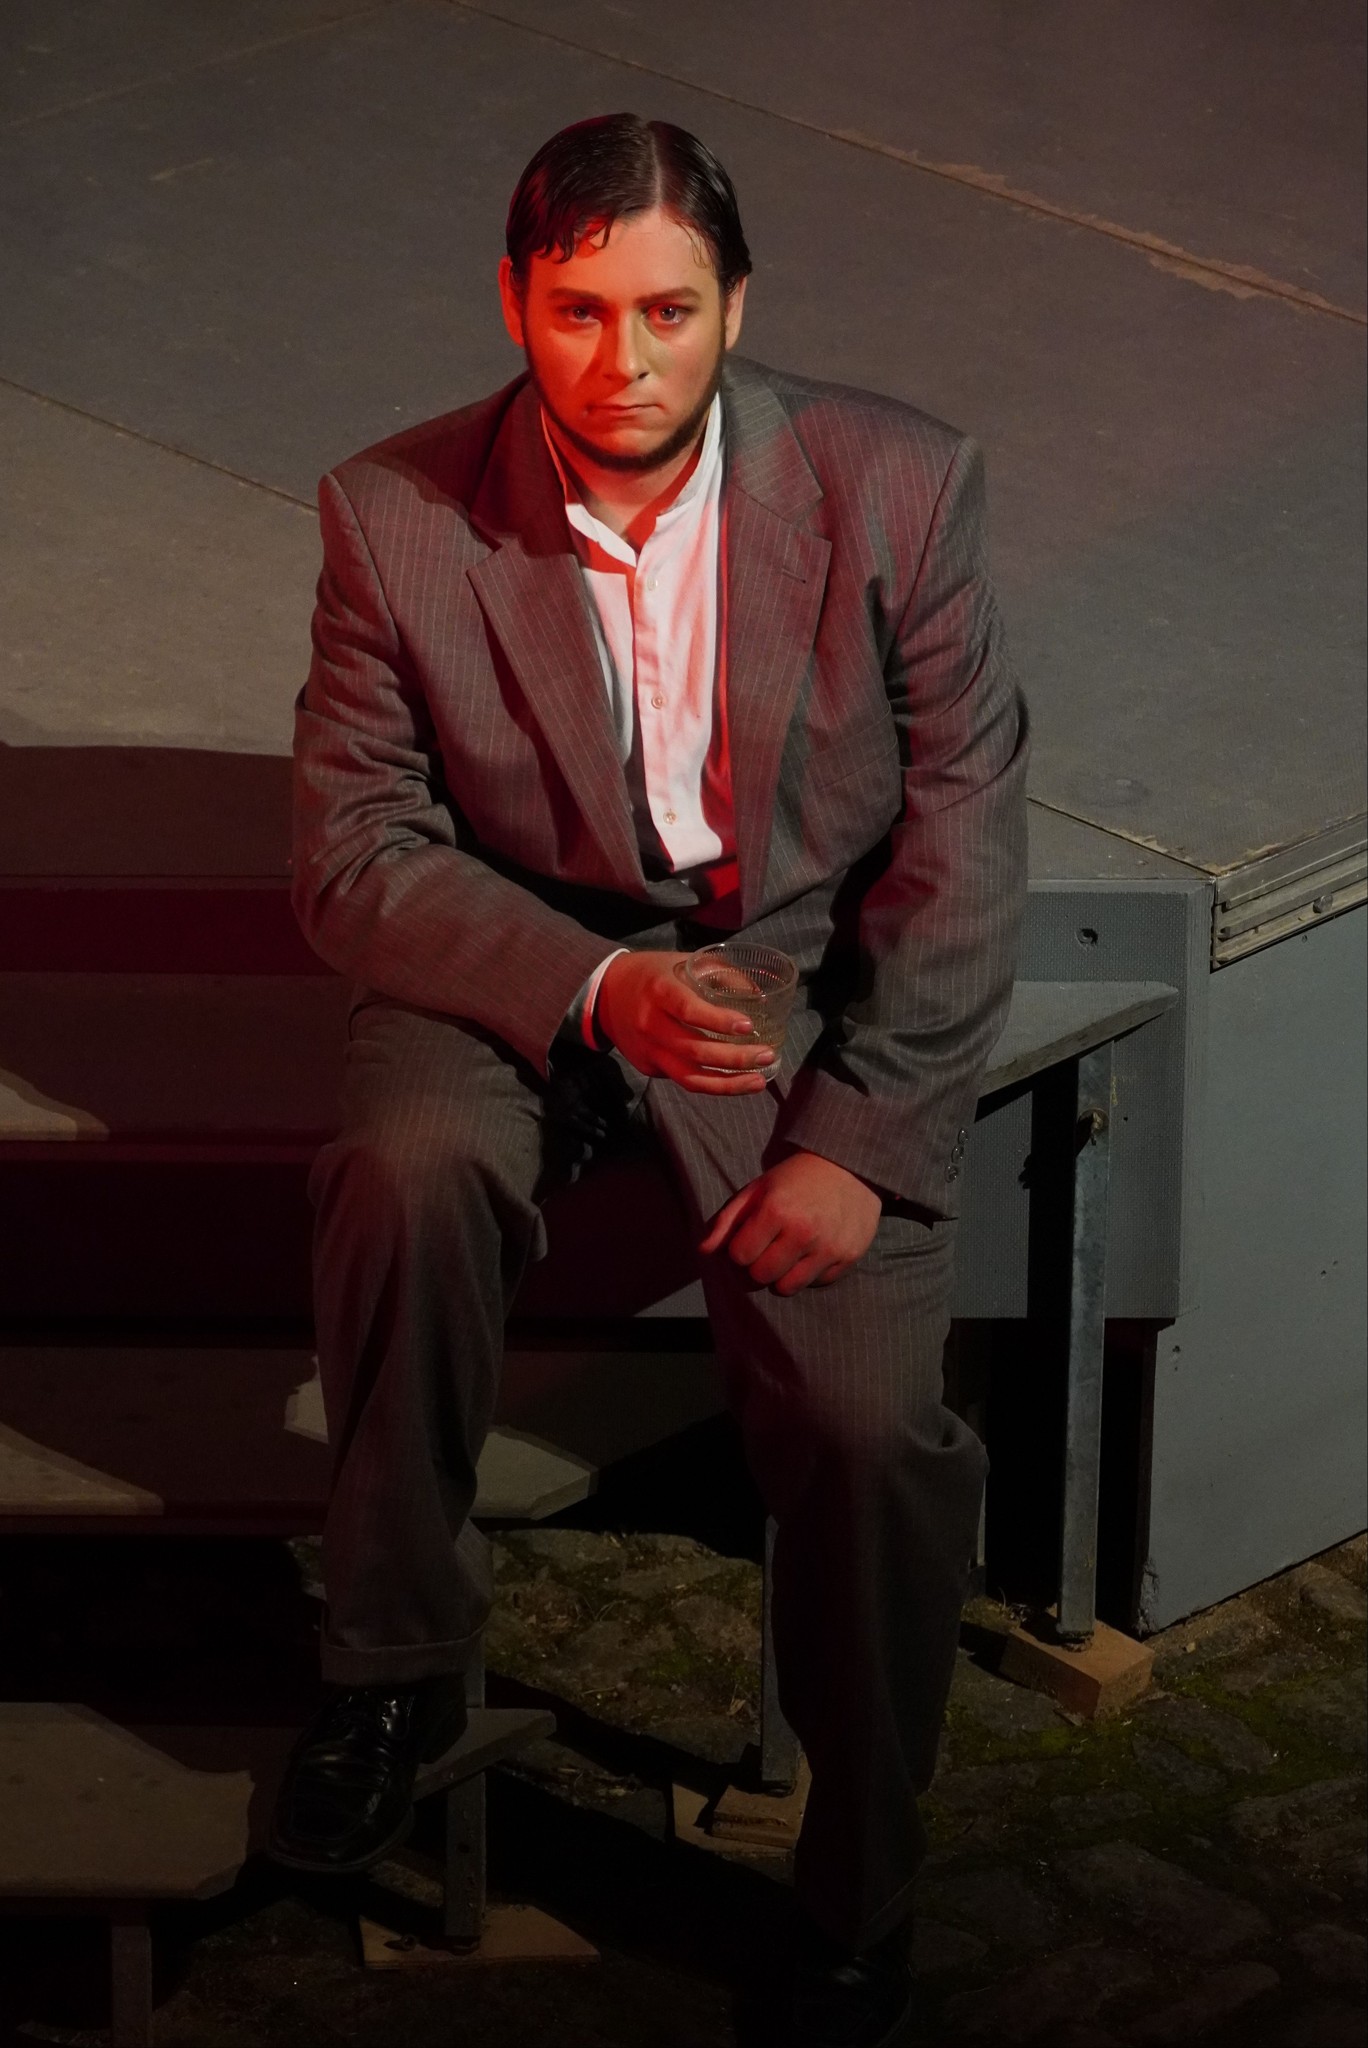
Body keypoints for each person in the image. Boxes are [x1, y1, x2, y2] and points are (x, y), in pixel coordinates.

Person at [271, 111, 1029, 2048]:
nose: (624, 358)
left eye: (668, 311)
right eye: (581, 310)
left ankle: (861, 1880)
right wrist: (594, 987)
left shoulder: (900, 485)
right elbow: (356, 855)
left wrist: (862, 1142)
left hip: (783, 983)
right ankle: (387, 1659)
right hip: (516, 955)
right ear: (516, 303)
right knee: (405, 1175)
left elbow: (959, 845)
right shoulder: (392, 511)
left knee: (868, 1429)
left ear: (736, 308)